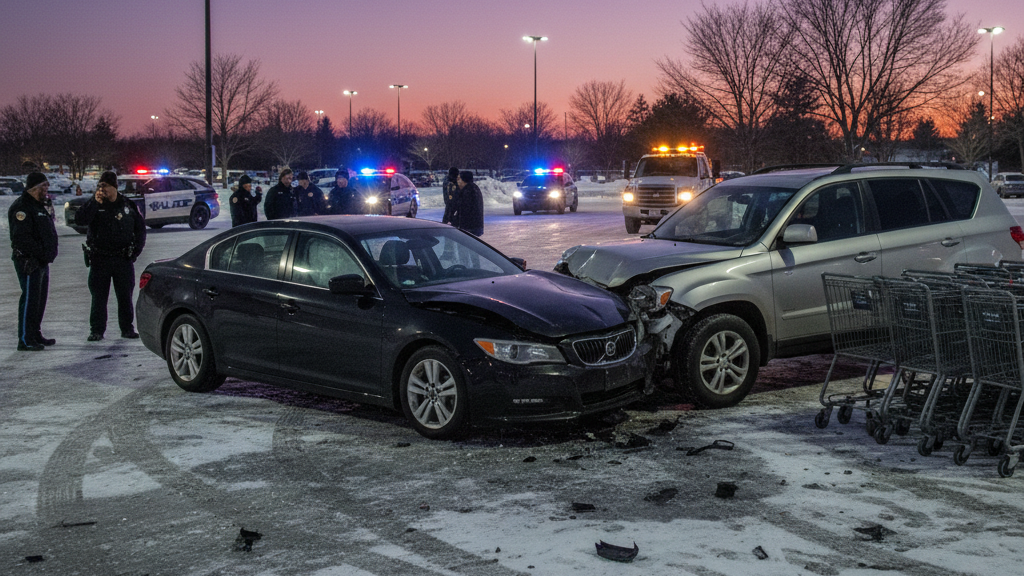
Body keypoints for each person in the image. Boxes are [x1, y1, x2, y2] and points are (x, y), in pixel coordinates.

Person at [75, 171, 146, 341]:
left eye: (105, 186)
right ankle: (97, 330)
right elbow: (80, 220)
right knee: (99, 297)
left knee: (125, 296)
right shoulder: (95, 204)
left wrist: (135, 251)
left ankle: (127, 328)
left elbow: (140, 230)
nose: (102, 189)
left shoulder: (127, 205)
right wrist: (93, 202)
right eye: (100, 186)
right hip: (100, 259)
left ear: (114, 187)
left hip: (123, 259)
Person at [8, 172, 58, 351]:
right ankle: (25, 339)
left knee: (39, 300)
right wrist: (40, 254)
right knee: (30, 300)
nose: (47, 189)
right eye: (44, 186)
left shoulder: (39, 206)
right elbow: (21, 238)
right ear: (34, 188)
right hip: (29, 262)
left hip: (41, 262)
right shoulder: (22, 208)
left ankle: (35, 333)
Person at [451, 171, 484, 237]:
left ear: (464, 180)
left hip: (469, 228)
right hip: (474, 227)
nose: (457, 181)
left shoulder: (468, 191)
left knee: (464, 246)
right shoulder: (472, 188)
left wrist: (454, 222)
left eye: (459, 179)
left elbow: (464, 210)